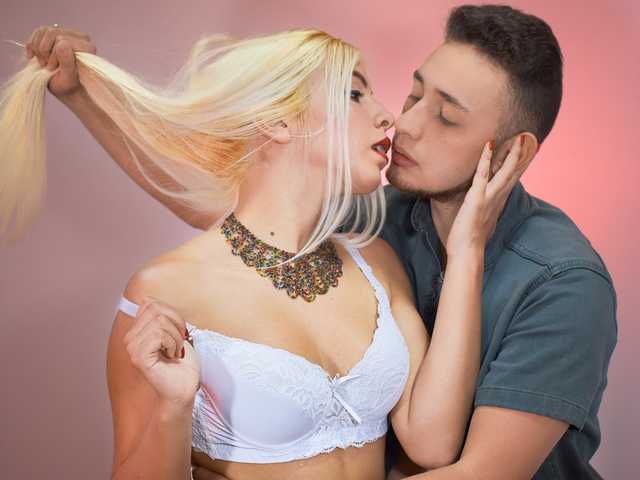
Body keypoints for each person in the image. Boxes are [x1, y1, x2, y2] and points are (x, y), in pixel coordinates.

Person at [1, 25, 527, 480]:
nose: (388, 117)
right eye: (353, 94)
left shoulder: (376, 264)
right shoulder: (163, 291)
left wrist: (468, 250)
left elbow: (433, 443)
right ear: (278, 120)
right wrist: (173, 407)